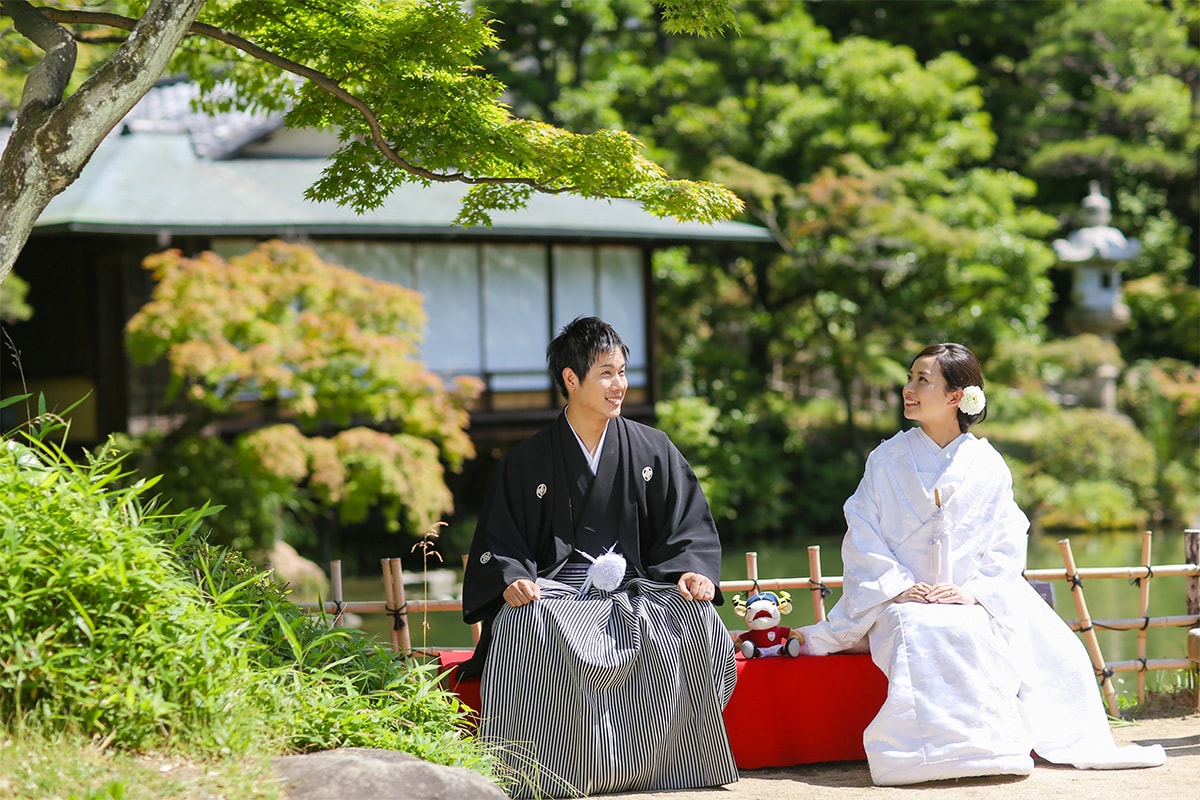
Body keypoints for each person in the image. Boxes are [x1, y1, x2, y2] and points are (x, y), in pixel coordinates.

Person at [796, 342, 1166, 786]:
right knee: (919, 627)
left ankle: (995, 749)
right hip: (898, 596)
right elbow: (862, 528)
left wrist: (971, 592)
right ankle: (916, 758)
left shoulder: (988, 464)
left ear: (957, 397)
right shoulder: (885, 459)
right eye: (910, 378)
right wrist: (897, 587)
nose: (907, 389)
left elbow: (1008, 537)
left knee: (1056, 648)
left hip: (971, 593)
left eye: (922, 380)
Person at [460, 316, 738, 798]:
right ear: (571, 379)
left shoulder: (652, 448)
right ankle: (539, 774)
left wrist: (693, 573)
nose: (620, 385)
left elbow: (687, 527)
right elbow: (501, 540)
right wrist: (513, 578)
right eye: (606, 373)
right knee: (519, 626)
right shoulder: (528, 461)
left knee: (699, 624)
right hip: (556, 594)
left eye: (623, 372)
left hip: (639, 588)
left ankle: (674, 769)